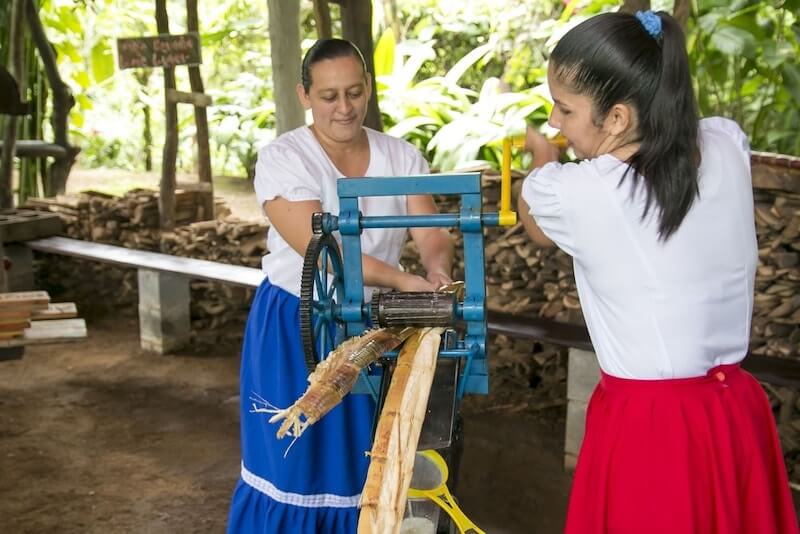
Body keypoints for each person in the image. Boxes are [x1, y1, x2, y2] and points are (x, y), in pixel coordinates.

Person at [517, 10, 799, 534]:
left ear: (618, 118)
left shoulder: (585, 191)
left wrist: (540, 157)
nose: (555, 122)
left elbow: (533, 220)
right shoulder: (724, 146)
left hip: (654, 429)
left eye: (565, 109)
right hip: (734, 412)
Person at [226, 38, 453, 534]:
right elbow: (321, 251)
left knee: (365, 464)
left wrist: (437, 269)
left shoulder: (401, 156)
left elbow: (432, 231)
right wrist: (404, 281)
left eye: (354, 92)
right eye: (329, 96)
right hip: (298, 322)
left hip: (373, 333)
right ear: (305, 95)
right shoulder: (285, 158)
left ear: (368, 87)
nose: (344, 107)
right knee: (293, 462)